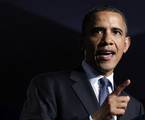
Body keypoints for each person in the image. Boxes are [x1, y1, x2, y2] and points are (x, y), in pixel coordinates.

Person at [20, 6, 144, 120]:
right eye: (98, 31)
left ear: (126, 44)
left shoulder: (135, 108)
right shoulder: (48, 86)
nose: (107, 40)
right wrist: (95, 118)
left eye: (116, 32)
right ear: (82, 41)